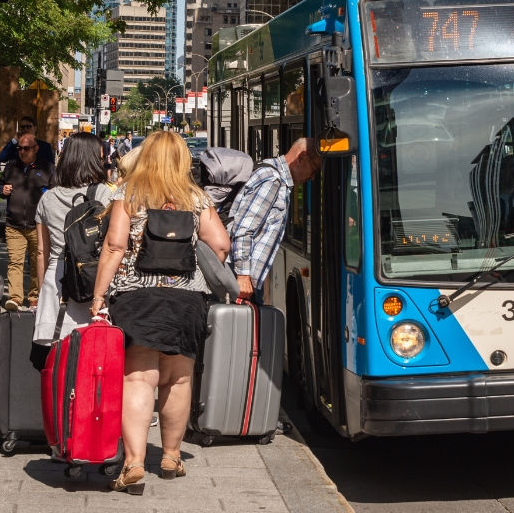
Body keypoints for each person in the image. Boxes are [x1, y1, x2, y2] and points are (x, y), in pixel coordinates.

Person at [89, 132, 229, 495]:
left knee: (139, 378)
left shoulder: (129, 193)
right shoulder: (196, 197)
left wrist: (98, 295)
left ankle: (134, 461)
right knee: (178, 379)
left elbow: (115, 245)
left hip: (137, 297)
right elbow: (222, 245)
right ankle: (170, 455)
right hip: (186, 300)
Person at [31, 133, 114, 362]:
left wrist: (42, 291)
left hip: (57, 280)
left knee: (57, 358)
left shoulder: (48, 198)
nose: (105, 162)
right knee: (90, 359)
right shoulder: (104, 194)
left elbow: (41, 252)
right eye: (101, 157)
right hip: (92, 278)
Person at [229, 138, 322, 303]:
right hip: (242, 281)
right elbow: (244, 229)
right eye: (314, 170)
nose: (313, 177)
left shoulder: (273, 175)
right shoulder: (272, 180)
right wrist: (243, 275)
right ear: (301, 157)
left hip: (246, 280)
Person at [0, 133, 55, 311]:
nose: (22, 151)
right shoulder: (12, 166)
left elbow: (55, 193)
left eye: (26, 148)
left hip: (37, 224)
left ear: (36, 149)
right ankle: (15, 297)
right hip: (14, 224)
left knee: (38, 261)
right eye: (20, 148)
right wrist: (2, 189)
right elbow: (0, 185)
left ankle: (35, 297)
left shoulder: (47, 168)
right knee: (15, 262)